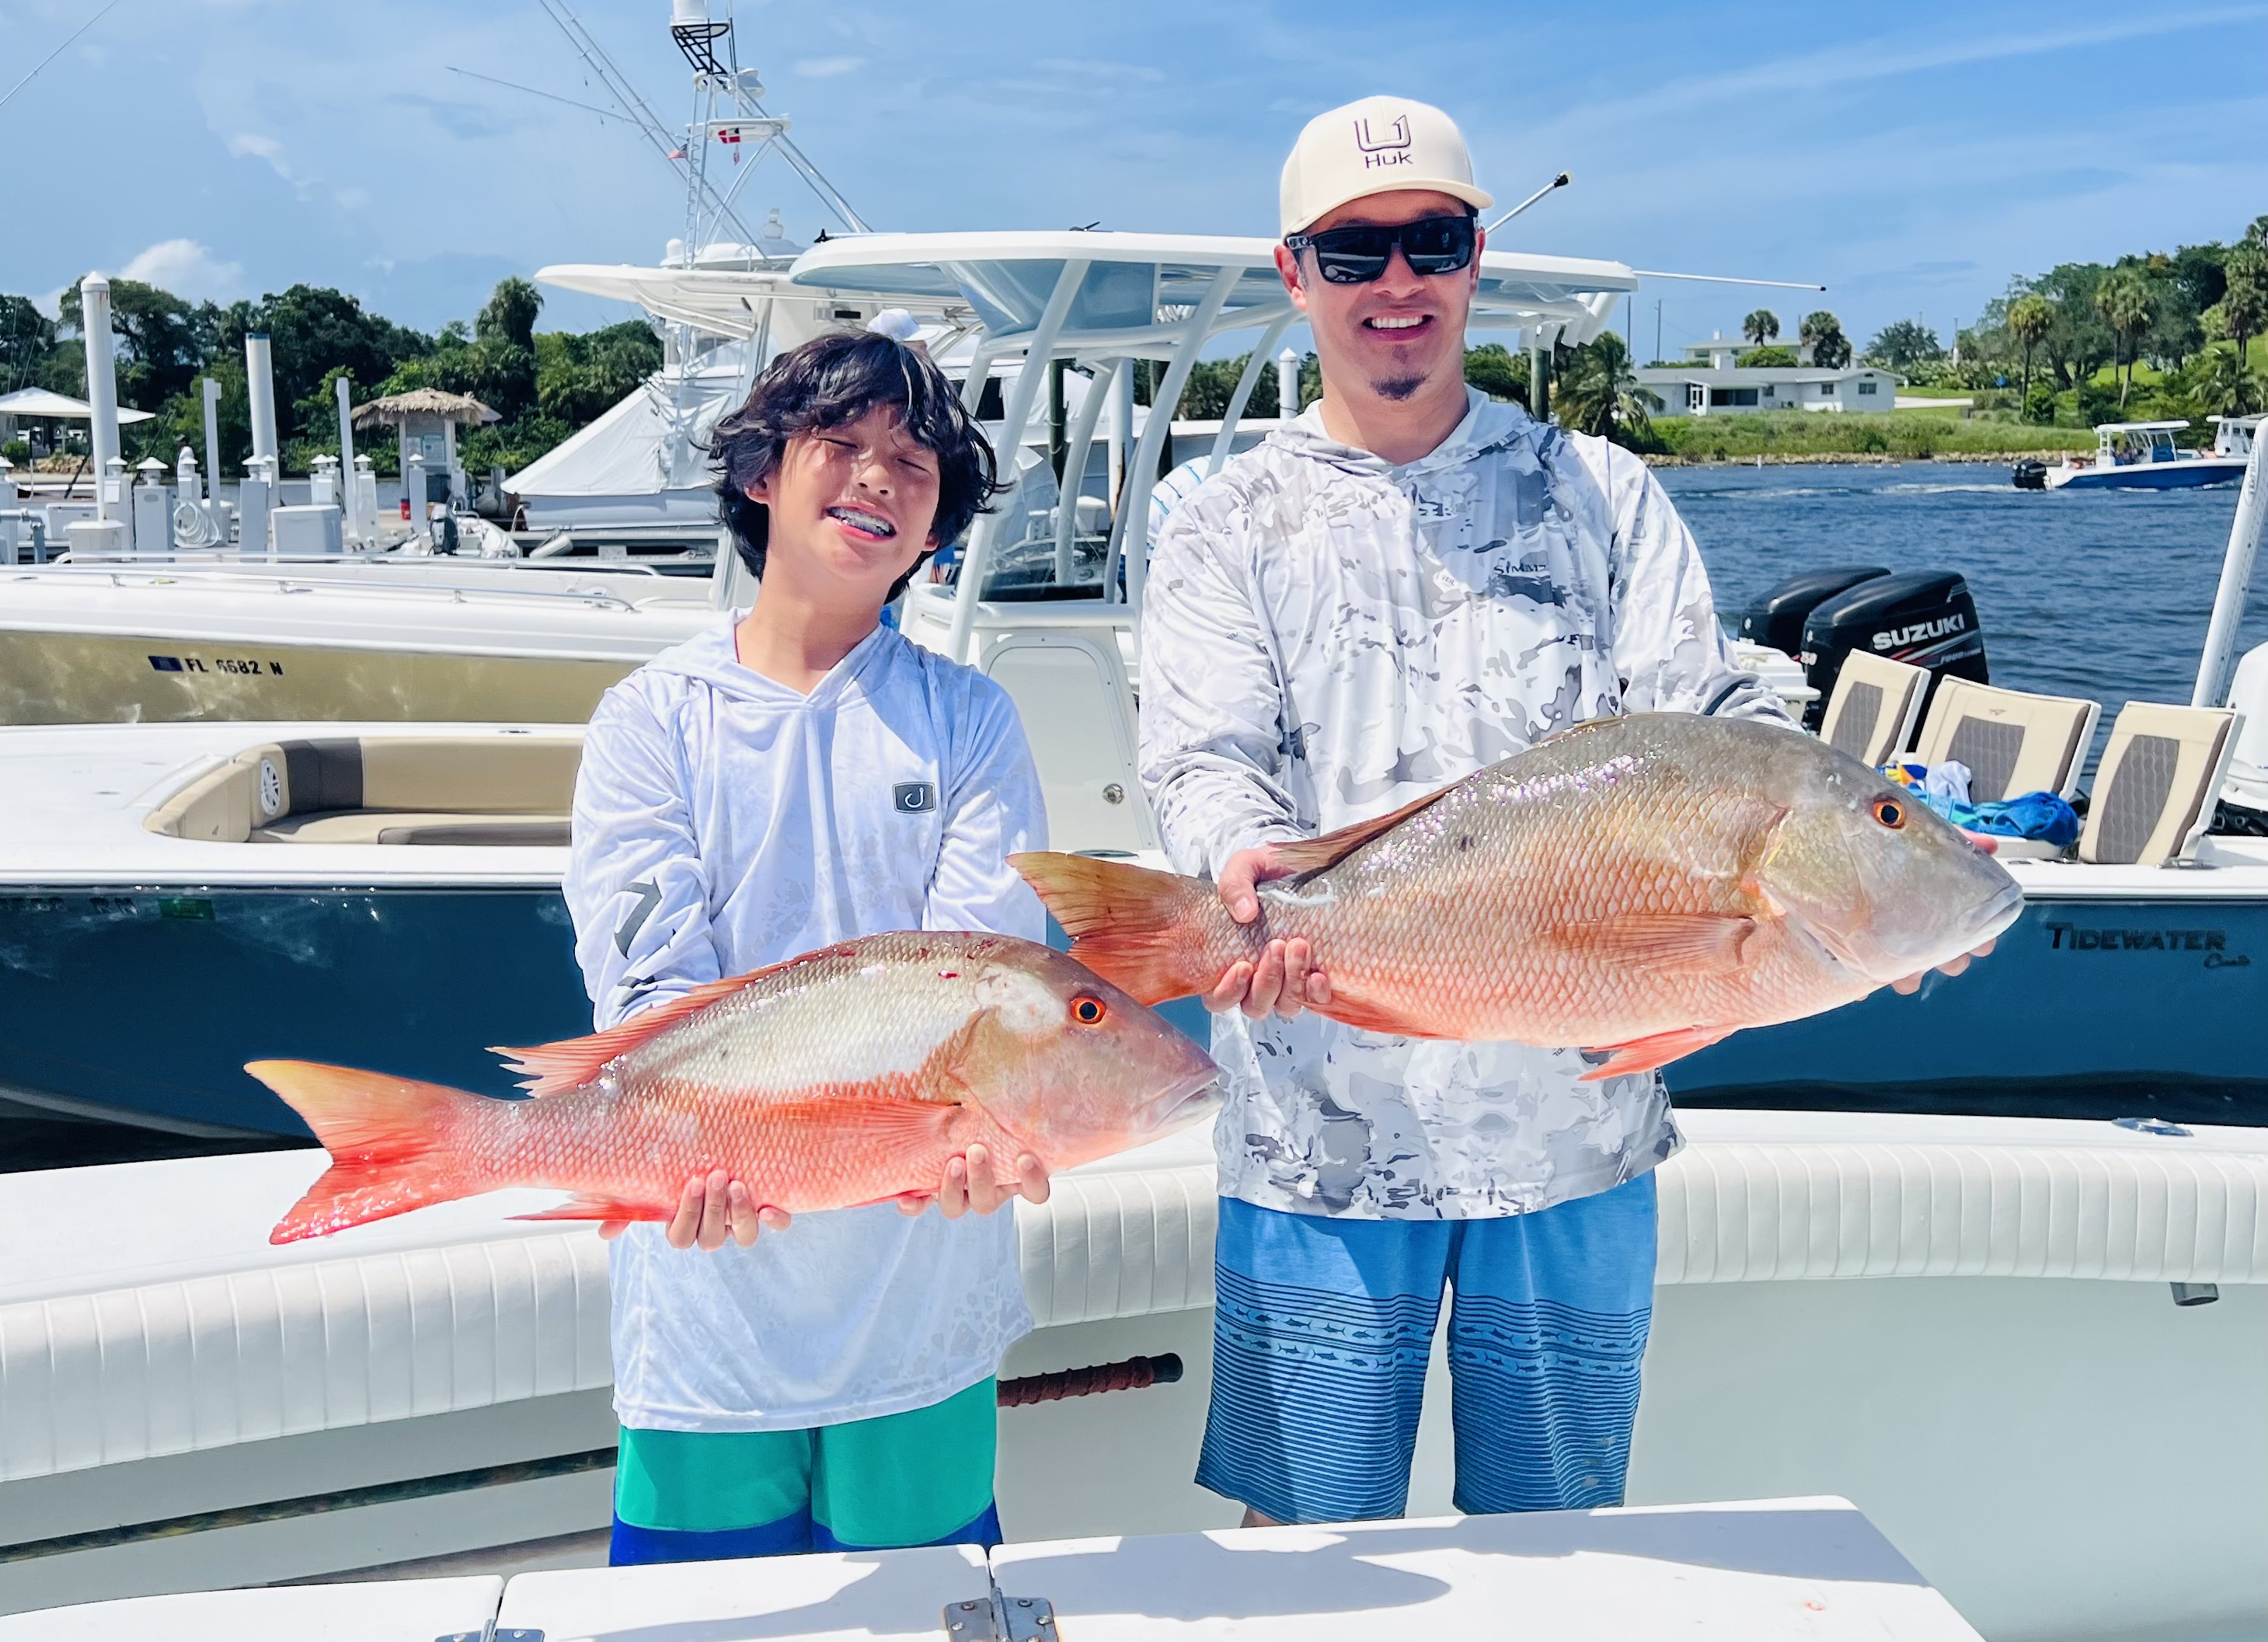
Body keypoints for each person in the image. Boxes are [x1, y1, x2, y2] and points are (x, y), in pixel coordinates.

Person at [1138, 96, 1991, 1529]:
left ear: (1476, 261)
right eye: (1354, 254)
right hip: (1318, 1129)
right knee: (1310, 1561)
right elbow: (1203, 757)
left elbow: (1719, 727)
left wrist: (1896, 887)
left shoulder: (1600, 490)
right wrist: (1241, 867)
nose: (1397, 282)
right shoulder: (1220, 517)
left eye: (1433, 241)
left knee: (1555, 1546)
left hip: (1573, 1140)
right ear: (1295, 275)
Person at [563, 325, 1052, 1565]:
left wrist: (996, 1128)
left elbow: (983, 994)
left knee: (918, 1607)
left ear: (939, 527)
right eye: (840, 444)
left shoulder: (969, 720)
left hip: (922, 1306)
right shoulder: (650, 720)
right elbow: (650, 987)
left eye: (915, 462)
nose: (878, 477)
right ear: (759, 474)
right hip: (704, 1313)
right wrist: (696, 1141)